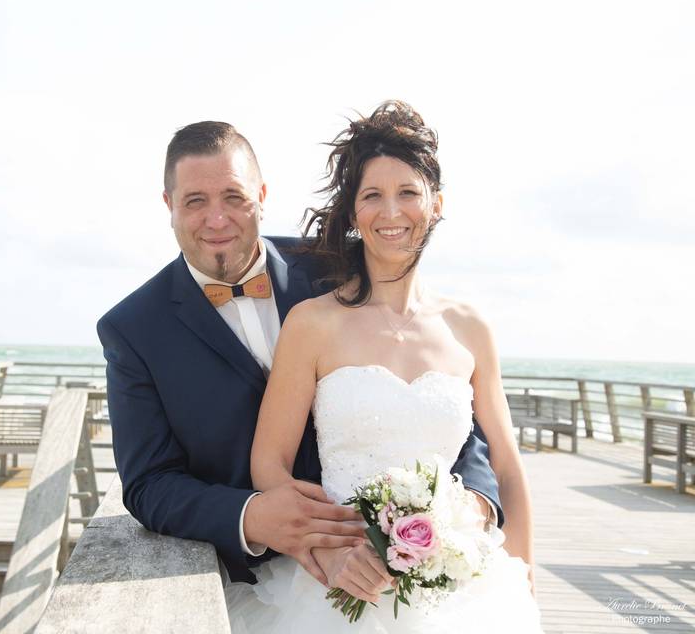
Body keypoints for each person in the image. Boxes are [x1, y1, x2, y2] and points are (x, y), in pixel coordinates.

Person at [95, 120, 502, 588]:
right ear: (168, 205)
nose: (217, 219)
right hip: (250, 581)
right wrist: (251, 516)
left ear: (262, 195)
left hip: (397, 565)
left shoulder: (337, 266)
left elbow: (439, 391)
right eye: (195, 201)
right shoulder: (133, 329)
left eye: (234, 197)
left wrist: (472, 502)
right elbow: (149, 484)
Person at [225, 101, 542, 632]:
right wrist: (327, 551)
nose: (391, 212)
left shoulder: (470, 327)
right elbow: (270, 465)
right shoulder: (312, 324)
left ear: (437, 204)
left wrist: (526, 582)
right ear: (353, 215)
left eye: (408, 193)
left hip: (464, 591)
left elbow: (507, 469)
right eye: (372, 196)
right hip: (338, 584)